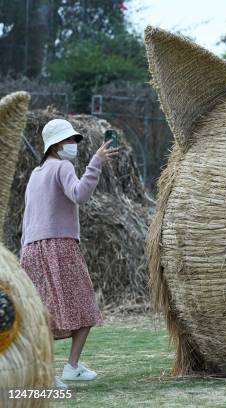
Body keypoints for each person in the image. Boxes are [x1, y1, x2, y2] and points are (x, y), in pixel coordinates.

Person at [19, 119, 119, 388]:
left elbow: (26, 218)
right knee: (85, 306)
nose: (74, 144)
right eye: (70, 140)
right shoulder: (63, 167)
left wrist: (23, 253)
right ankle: (66, 368)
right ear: (56, 144)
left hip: (32, 249)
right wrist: (96, 162)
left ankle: (54, 370)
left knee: (43, 313)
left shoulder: (35, 173)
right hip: (60, 247)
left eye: (75, 140)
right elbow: (80, 194)